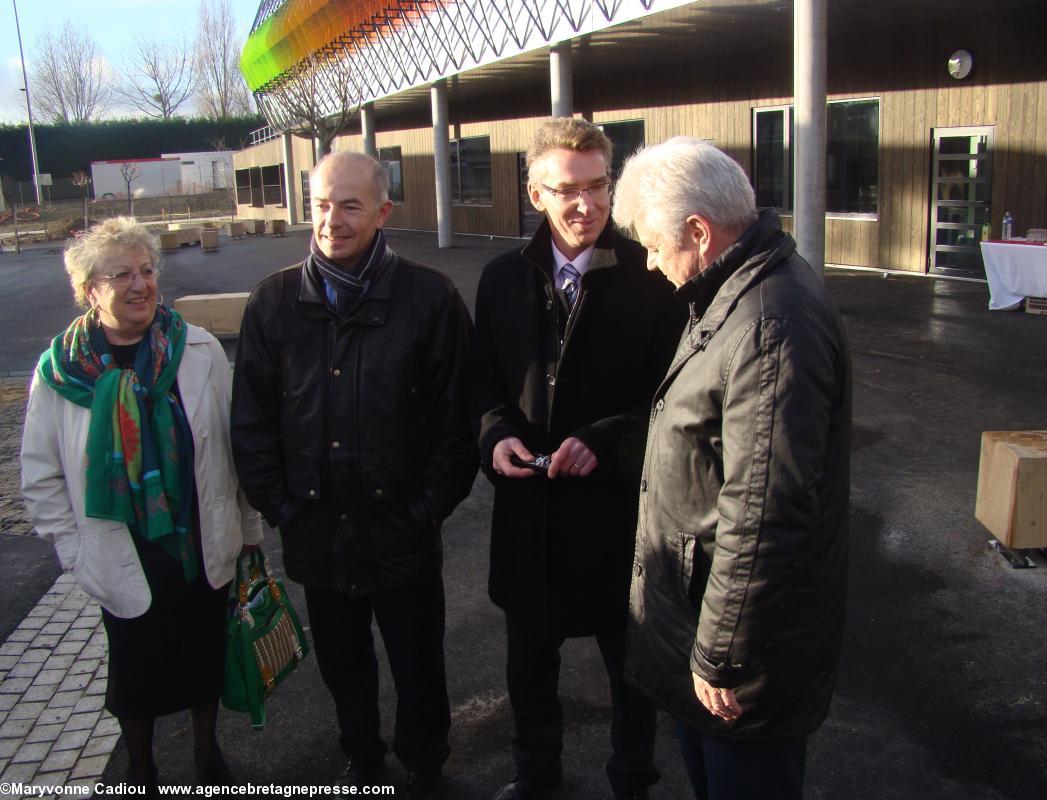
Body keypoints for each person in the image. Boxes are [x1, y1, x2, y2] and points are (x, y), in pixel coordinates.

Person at [230, 152, 477, 800]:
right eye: (320, 204)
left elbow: (458, 421)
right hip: (317, 527)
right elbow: (251, 423)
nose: (332, 220)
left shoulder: (429, 299)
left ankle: (425, 764)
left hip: (401, 527)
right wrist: (283, 509)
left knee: (417, 664)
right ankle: (361, 758)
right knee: (344, 668)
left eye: (349, 205)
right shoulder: (274, 302)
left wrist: (427, 508)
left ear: (382, 211)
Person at [612, 137, 852, 800]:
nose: (653, 266)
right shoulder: (731, 295)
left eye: (655, 247)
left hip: (741, 659)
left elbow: (764, 512)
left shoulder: (768, 321)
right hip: (711, 627)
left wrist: (723, 655)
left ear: (698, 229)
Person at [471, 117, 684, 800]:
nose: (584, 205)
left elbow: (673, 397)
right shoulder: (501, 280)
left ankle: (632, 781)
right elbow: (481, 386)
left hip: (618, 517)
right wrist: (493, 433)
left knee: (630, 670)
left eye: (597, 187)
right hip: (528, 515)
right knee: (528, 667)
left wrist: (607, 438)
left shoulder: (652, 277)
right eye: (565, 190)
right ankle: (535, 775)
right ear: (534, 192)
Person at [20, 217, 262, 791]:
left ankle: (206, 755)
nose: (140, 285)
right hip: (121, 544)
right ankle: (140, 766)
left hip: (197, 533)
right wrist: (72, 551)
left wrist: (247, 523)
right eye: (121, 274)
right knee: (134, 665)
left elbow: (233, 446)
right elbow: (41, 473)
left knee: (205, 652)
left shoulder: (197, 349)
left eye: (147, 270)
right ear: (89, 290)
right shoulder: (58, 373)